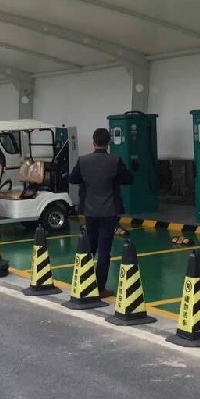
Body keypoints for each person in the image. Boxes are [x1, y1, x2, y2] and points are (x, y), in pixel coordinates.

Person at [68, 127, 134, 297]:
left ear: (93, 142)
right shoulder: (115, 161)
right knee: (104, 251)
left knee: (90, 247)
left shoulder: (83, 161)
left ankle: (85, 282)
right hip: (109, 212)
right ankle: (100, 287)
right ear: (108, 143)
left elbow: (73, 178)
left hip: (89, 211)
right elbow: (128, 179)